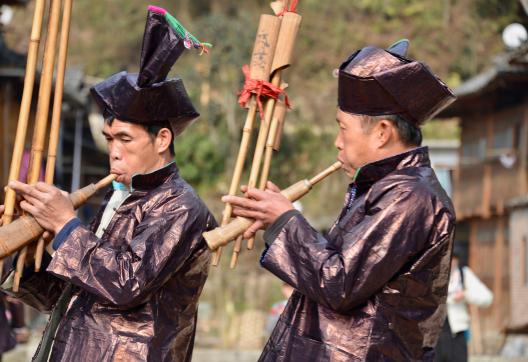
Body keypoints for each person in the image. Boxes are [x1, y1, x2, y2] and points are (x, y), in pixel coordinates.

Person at [1, 6, 215, 361]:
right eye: (108, 138)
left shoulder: (182, 207)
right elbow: (65, 298)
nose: (113, 152)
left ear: (162, 139)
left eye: (125, 140)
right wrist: (25, 250)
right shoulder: (118, 200)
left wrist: (66, 225)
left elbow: (125, 285)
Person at [224, 39, 458, 361]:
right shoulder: (385, 188)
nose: (337, 142)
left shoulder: (410, 197)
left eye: (342, 128)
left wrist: (284, 221)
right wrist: (278, 219)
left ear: (382, 132)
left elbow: (339, 283)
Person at [435, 247, 493, 362]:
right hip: (435, 337)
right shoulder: (432, 275)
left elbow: (487, 298)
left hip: (457, 335)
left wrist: (465, 294)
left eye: (453, 259)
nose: (450, 262)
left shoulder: (464, 274)